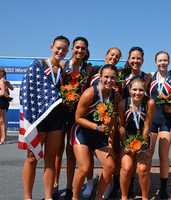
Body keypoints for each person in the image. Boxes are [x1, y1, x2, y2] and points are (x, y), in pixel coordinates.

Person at [18, 35, 70, 200]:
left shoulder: (63, 72)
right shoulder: (38, 65)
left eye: (64, 49)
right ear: (51, 47)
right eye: (58, 48)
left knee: (50, 159)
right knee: (32, 159)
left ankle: (48, 196)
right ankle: (28, 197)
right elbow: (26, 91)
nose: (60, 51)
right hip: (38, 119)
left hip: (56, 120)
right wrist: (29, 117)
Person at [53, 36, 98, 199]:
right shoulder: (63, 66)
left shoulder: (89, 69)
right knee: (57, 151)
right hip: (59, 113)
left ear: (87, 51)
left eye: (83, 48)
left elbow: (108, 71)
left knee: (70, 152)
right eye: (77, 47)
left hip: (77, 116)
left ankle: (70, 187)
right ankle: (55, 186)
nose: (79, 50)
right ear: (73, 48)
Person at [71, 64, 123, 200]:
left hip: (100, 136)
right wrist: (96, 127)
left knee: (110, 166)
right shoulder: (90, 93)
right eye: (106, 77)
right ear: (100, 77)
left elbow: (112, 122)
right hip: (82, 133)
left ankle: (98, 197)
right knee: (84, 167)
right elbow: (78, 118)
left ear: (116, 79)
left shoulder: (115, 95)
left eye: (112, 78)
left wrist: (110, 143)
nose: (109, 80)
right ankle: (74, 197)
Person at [83, 47, 122, 199]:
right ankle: (90, 183)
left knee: (110, 158)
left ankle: (108, 184)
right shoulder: (92, 72)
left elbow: (117, 102)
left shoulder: (116, 80)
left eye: (117, 56)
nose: (114, 57)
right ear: (106, 55)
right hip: (88, 123)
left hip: (106, 124)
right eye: (112, 54)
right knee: (86, 160)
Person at [149, 51, 171, 199]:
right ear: (155, 62)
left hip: (166, 121)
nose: (162, 63)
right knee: (147, 154)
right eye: (160, 60)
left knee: (163, 155)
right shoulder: (149, 77)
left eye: (165, 60)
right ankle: (145, 183)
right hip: (151, 120)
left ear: (168, 62)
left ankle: (163, 188)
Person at [119, 77, 154, 200]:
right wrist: (126, 144)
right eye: (134, 89)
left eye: (141, 90)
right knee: (127, 167)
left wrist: (141, 144)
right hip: (127, 138)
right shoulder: (123, 103)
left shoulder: (149, 103)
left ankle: (145, 197)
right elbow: (122, 126)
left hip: (142, 138)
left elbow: (147, 125)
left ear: (144, 91)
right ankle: (124, 196)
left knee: (143, 169)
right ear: (129, 90)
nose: (137, 93)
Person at [0, 68, 13, 144]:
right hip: (4, 101)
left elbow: (3, 93)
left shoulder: (2, 81)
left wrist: (8, 85)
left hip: (2, 101)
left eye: (3, 72)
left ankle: (3, 138)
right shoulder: (4, 81)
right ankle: (3, 137)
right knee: (3, 120)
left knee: (2, 120)